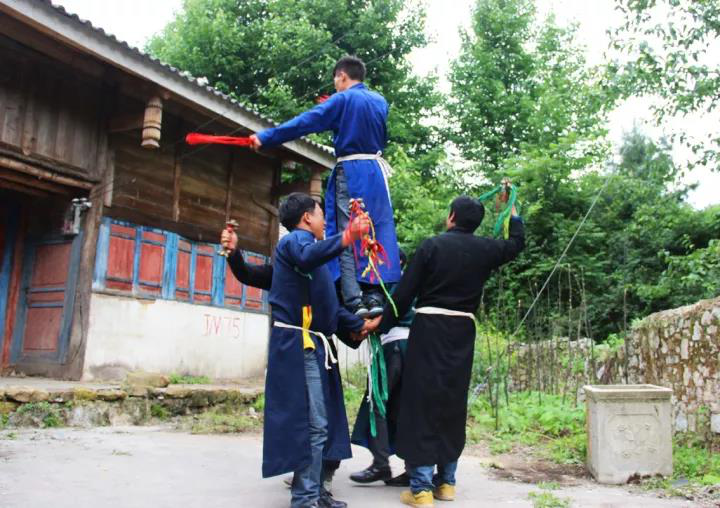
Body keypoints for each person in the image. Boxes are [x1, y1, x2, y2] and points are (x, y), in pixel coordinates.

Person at [369, 195, 525, 508]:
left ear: (451, 216)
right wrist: (512, 212)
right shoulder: (486, 249)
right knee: (452, 403)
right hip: (462, 332)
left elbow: (404, 293)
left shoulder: (432, 246)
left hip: (429, 330)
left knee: (422, 404)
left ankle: (421, 489)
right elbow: (516, 244)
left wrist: (381, 324)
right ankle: (447, 483)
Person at [226, 192, 374, 508]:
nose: (325, 221)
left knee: (321, 424)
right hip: (299, 346)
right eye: (320, 214)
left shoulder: (306, 262)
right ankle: (305, 497)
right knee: (314, 425)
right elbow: (253, 272)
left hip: (316, 346)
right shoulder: (295, 242)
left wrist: (360, 324)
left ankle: (315, 492)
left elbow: (328, 306)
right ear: (307, 217)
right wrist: (347, 236)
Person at [250, 55, 401, 318]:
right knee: (375, 228)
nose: (335, 87)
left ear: (342, 75)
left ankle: (353, 299)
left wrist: (267, 137)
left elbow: (305, 122)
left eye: (336, 81)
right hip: (376, 173)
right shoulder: (379, 101)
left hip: (351, 171)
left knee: (346, 233)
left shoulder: (342, 100)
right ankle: (374, 294)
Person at [349, 250, 414, 487]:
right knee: (404, 408)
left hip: (393, 347)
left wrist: (363, 326)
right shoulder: (411, 282)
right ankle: (413, 469)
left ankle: (381, 463)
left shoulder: (390, 284)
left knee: (377, 403)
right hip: (412, 348)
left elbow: (384, 316)